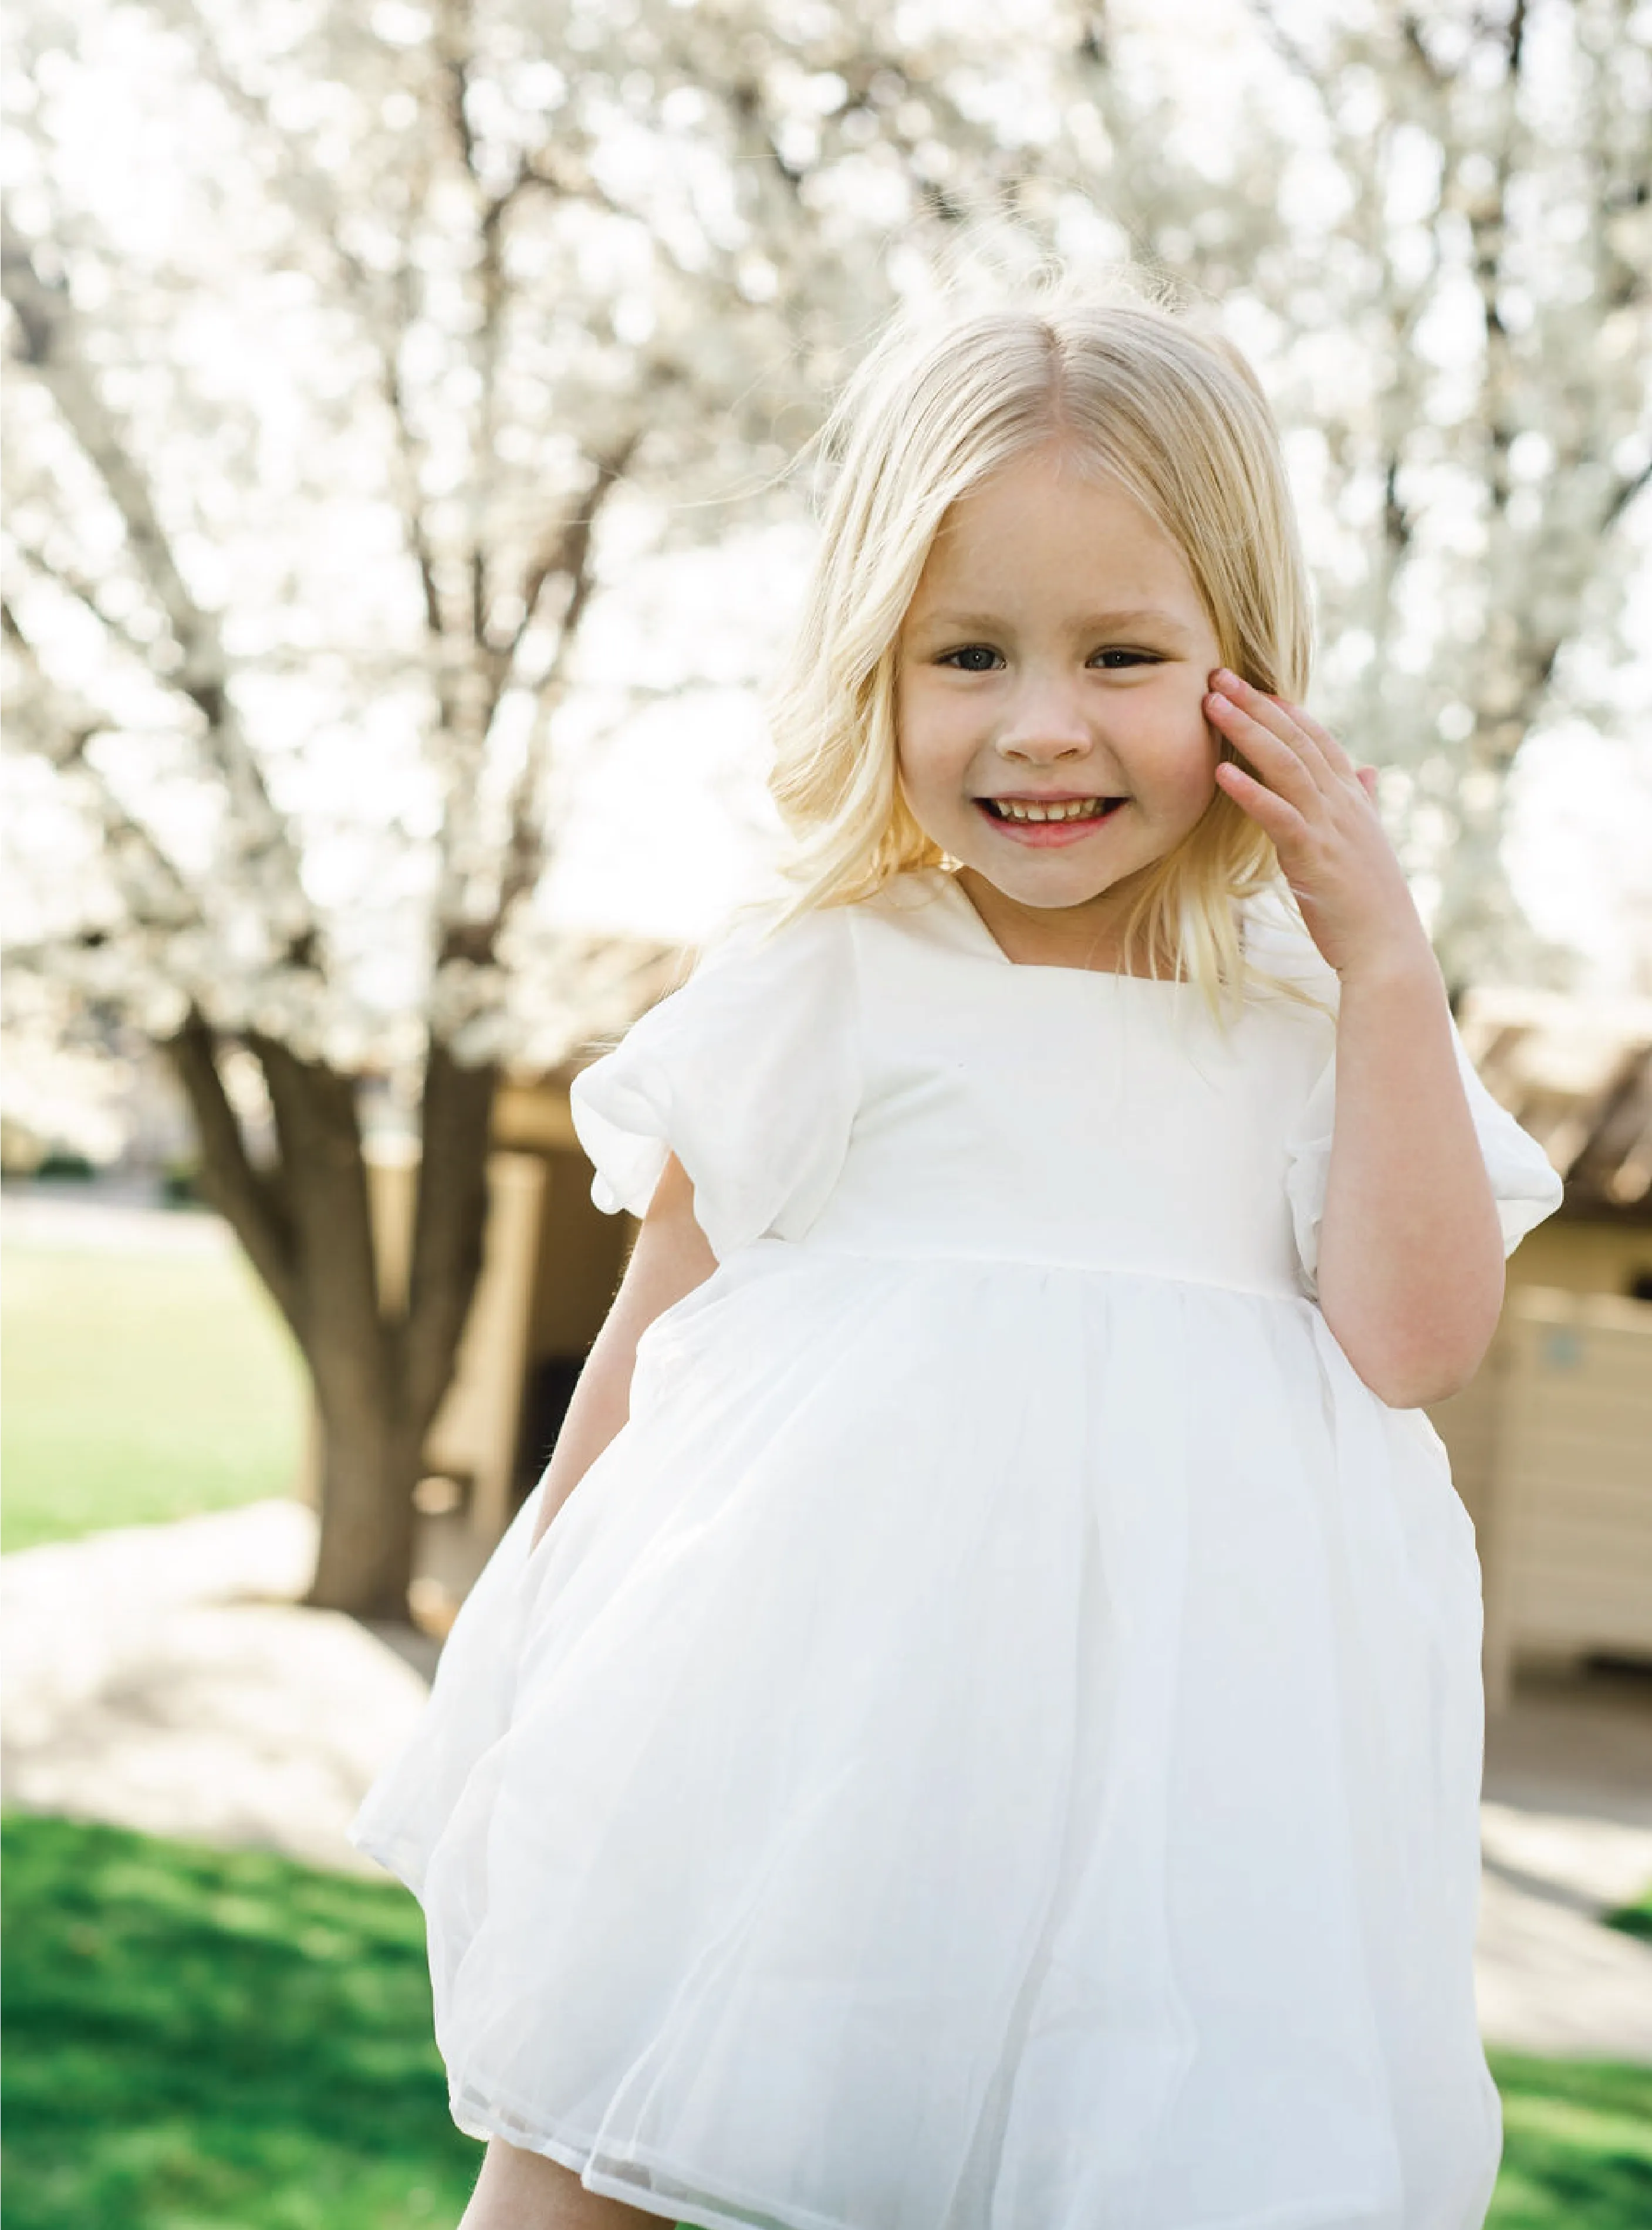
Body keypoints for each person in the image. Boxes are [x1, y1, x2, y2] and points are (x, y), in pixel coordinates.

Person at [349, 281, 1563, 2230]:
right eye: (968, 653)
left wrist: (1385, 964)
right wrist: (532, 1688)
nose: (1041, 727)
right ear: (873, 669)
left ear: (1243, 670)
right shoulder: (827, 986)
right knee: (606, 2174)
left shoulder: (1308, 1024)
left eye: (1123, 654)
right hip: (793, 1769)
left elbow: (1412, 1342)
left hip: (1180, 1847)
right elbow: (641, 1390)